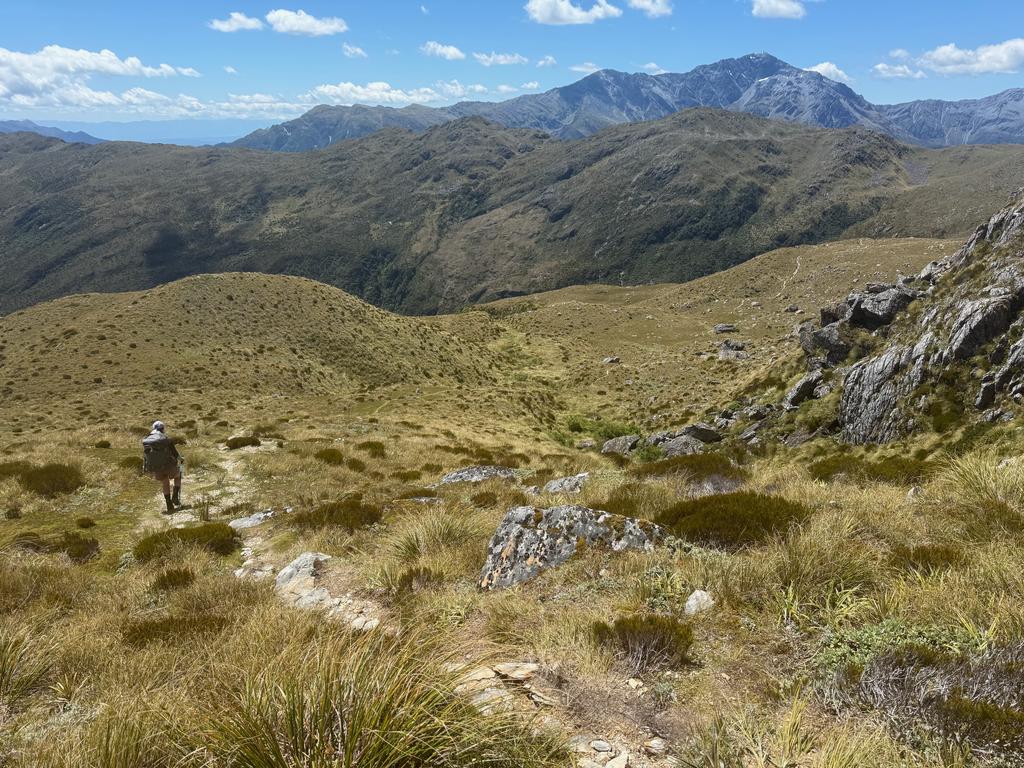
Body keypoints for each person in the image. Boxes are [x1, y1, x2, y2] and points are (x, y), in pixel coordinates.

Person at [142, 421, 182, 514]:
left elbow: (146, 455)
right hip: (168, 464)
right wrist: (180, 458)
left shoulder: (147, 439)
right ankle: (175, 496)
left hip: (156, 466)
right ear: (162, 428)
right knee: (178, 476)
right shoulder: (165, 438)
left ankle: (169, 504)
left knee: (165, 482)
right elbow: (175, 453)